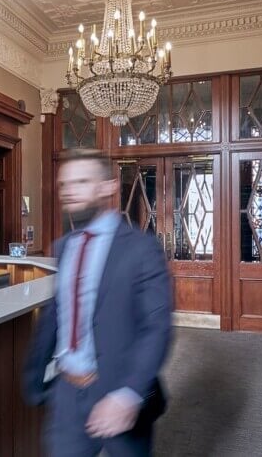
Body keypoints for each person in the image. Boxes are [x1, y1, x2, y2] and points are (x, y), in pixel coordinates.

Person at [23, 149, 173, 456]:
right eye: (65, 185)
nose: (70, 192)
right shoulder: (63, 247)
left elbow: (156, 326)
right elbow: (58, 313)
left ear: (108, 186)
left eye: (81, 181)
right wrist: (34, 377)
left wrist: (129, 393)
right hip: (66, 393)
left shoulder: (141, 249)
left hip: (118, 392)